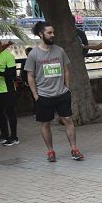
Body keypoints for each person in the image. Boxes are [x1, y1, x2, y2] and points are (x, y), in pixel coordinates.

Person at [24, 22, 84, 162]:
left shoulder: (59, 50)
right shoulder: (33, 54)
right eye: (49, 33)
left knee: (68, 120)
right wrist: (35, 95)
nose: (53, 35)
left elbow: (66, 70)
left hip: (62, 94)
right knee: (45, 123)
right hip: (43, 96)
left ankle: (74, 149)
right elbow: (30, 76)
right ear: (41, 34)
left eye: (53, 32)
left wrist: (67, 88)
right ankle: (50, 151)